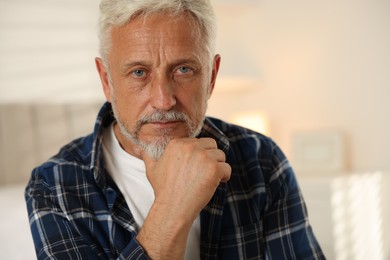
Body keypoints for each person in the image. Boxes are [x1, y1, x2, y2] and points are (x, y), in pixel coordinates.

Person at [25, 0, 325, 259]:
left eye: (183, 69)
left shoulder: (261, 159)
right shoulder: (54, 186)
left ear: (211, 76)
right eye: (139, 72)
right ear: (106, 80)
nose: (163, 100)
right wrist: (171, 208)